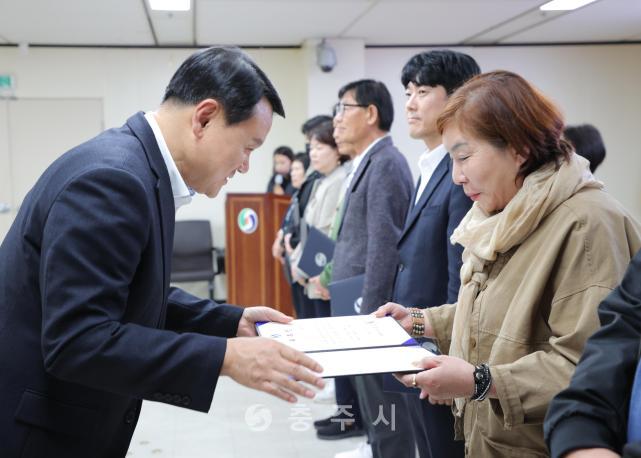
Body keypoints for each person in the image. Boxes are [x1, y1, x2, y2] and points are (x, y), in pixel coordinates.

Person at [0, 47, 325, 458]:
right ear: (204, 118)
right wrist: (224, 358)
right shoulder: (113, 180)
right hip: (36, 431)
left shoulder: (138, 167)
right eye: (248, 147)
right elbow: (79, 341)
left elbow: (131, 289)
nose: (245, 166)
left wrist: (230, 321)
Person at [375, 70, 641, 457]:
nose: (456, 176)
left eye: (464, 156)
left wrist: (479, 381)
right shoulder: (506, 214)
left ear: (518, 148)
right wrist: (420, 321)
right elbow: (496, 315)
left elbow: (588, 369)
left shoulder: (587, 225)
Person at [394, 49, 479, 458]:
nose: (410, 103)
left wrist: (447, 357)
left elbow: (459, 275)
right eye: (408, 92)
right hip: (416, 336)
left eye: (422, 91)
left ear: (458, 97)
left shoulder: (460, 171)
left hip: (439, 348)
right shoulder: (429, 164)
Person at [331, 79, 415, 458]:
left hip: (370, 310)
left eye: (343, 108)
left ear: (370, 113)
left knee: (386, 412)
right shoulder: (369, 162)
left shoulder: (386, 162)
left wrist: (372, 319)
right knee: (372, 406)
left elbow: (385, 244)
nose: (337, 119)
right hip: (357, 304)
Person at [545, 249, 641, 458]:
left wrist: (483, 381)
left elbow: (571, 359)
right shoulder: (484, 230)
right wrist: (578, 436)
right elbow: (620, 333)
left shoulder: (585, 226)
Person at [287, 120, 350, 318]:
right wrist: (296, 263)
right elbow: (308, 227)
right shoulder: (322, 180)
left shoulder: (339, 180)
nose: (313, 153)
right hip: (308, 269)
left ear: (337, 150)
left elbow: (324, 233)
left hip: (319, 272)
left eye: (319, 148)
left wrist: (302, 269)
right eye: (311, 148)